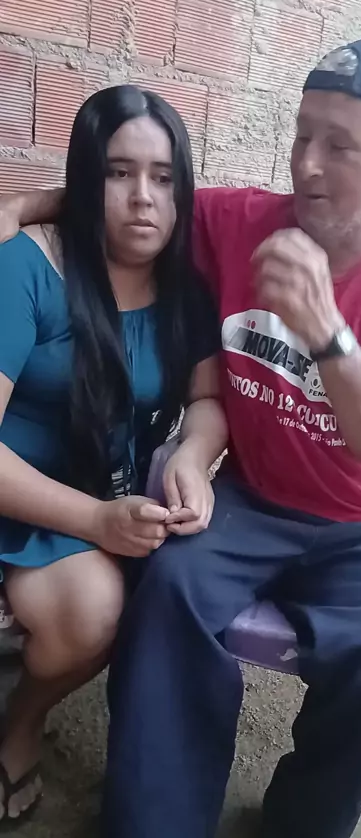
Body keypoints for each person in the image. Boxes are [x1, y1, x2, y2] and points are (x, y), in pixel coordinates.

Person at [0, 37, 361, 838]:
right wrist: (25, 204)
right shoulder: (241, 221)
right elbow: (135, 197)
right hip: (249, 497)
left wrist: (325, 330)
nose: (306, 164)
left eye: (339, 145)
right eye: (302, 133)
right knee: (166, 593)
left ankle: (301, 816)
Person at [0, 85, 226, 826]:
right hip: (22, 494)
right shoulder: (27, 266)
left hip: (100, 503)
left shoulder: (185, 290)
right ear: (85, 176)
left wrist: (194, 452)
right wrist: (97, 520)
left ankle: (20, 721)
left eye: (162, 177)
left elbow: (207, 398)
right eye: (118, 172)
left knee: (100, 610)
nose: (142, 198)